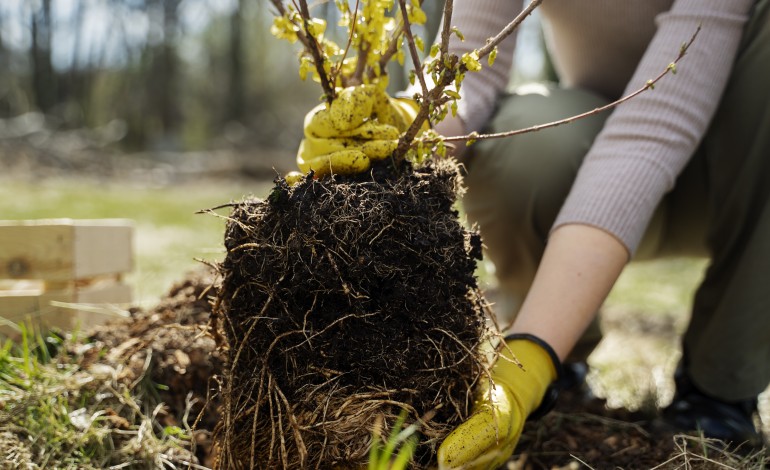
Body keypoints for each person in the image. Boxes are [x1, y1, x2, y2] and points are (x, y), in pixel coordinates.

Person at [297, 0, 769, 468]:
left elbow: (650, 134)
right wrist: (407, 127)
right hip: (599, 147)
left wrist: (528, 361)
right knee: (521, 143)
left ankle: (720, 387)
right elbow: (468, 70)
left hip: (744, 177)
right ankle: (564, 359)